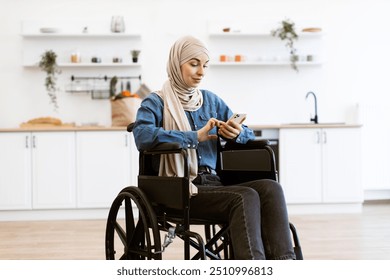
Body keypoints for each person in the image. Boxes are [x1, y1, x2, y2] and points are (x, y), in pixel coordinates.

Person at [133, 36, 296, 260]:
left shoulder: (210, 101)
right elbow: (142, 136)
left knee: (271, 188)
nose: (201, 71)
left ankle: (285, 264)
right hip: (179, 188)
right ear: (176, 63)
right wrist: (194, 137)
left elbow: (244, 130)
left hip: (215, 183)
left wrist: (237, 133)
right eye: (194, 63)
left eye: (205, 65)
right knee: (244, 196)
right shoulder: (155, 102)